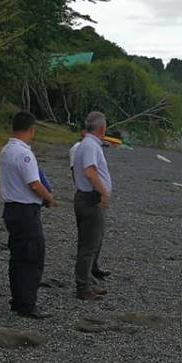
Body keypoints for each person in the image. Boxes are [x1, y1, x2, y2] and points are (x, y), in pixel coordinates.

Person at [0, 111, 56, 319]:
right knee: (32, 256)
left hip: (12, 208)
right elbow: (34, 183)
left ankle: (18, 299)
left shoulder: (6, 150)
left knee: (18, 256)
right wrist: (49, 198)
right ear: (31, 129)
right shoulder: (24, 154)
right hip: (25, 210)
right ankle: (27, 304)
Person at [72, 111, 112, 301]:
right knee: (89, 246)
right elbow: (90, 171)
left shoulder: (87, 144)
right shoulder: (90, 146)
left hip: (86, 197)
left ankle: (87, 282)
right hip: (89, 198)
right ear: (102, 129)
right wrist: (103, 192)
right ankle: (83, 288)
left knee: (91, 243)